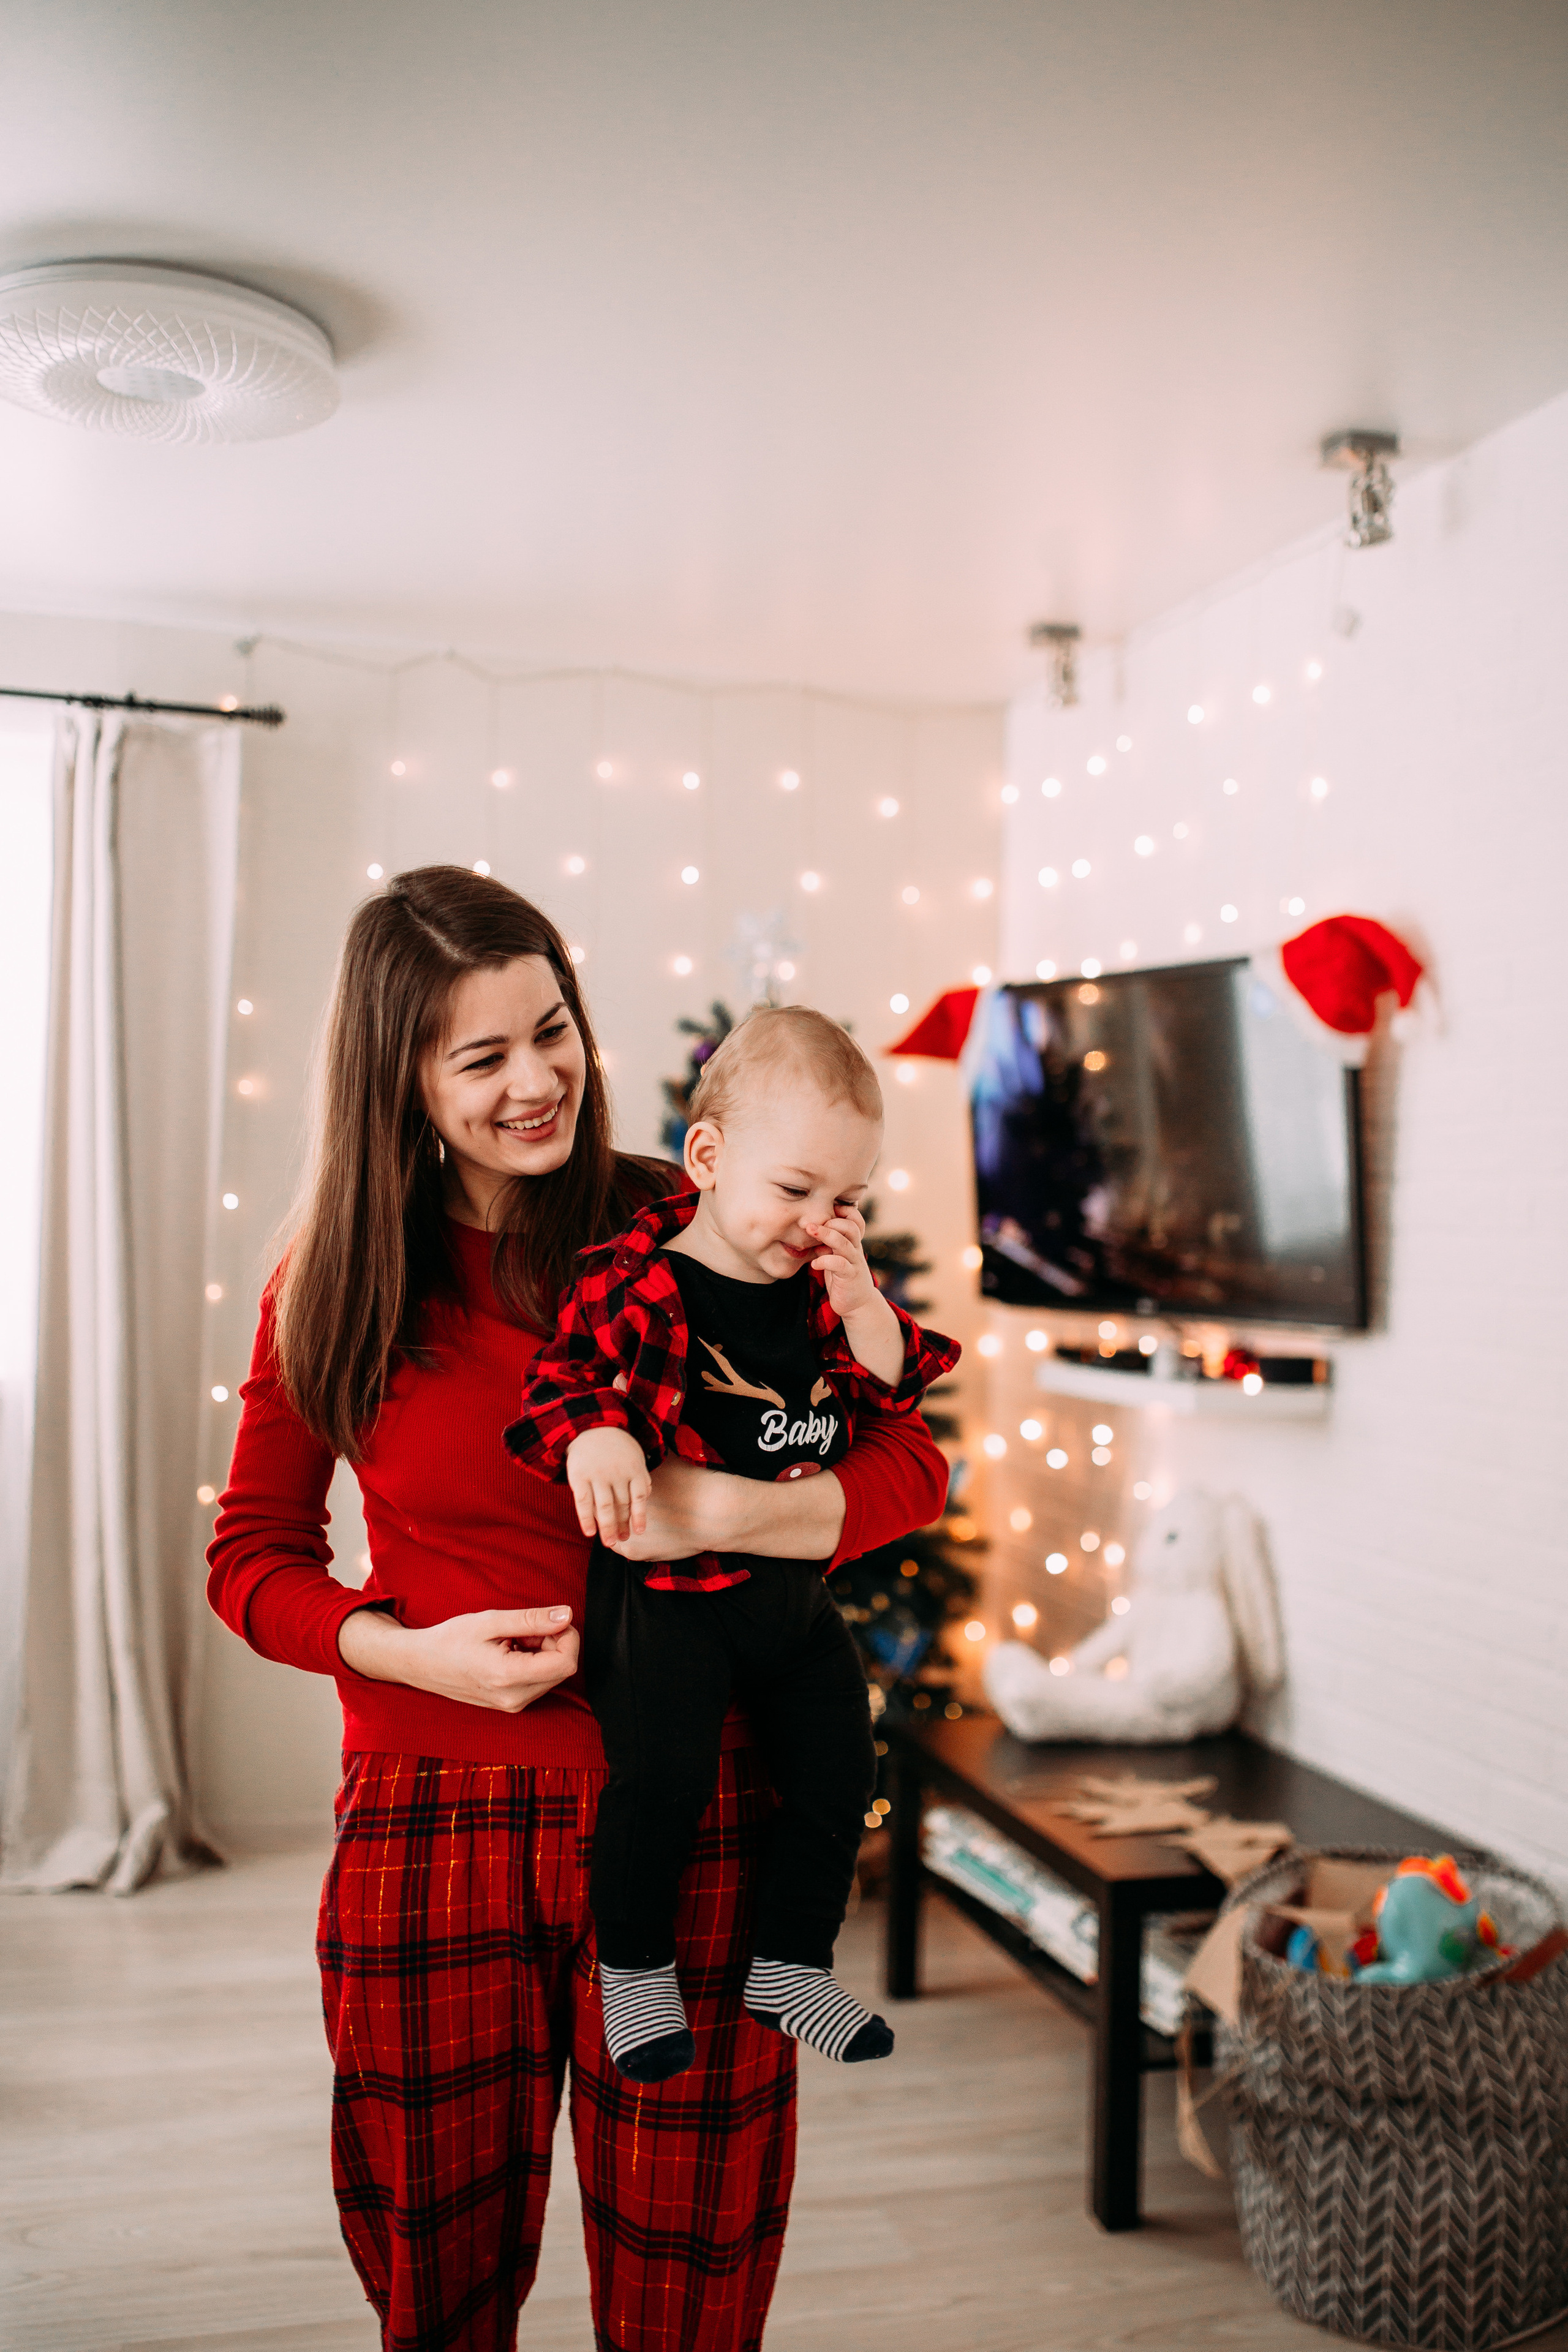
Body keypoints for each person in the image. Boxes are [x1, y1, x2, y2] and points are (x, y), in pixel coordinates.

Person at [205, 866, 952, 2352]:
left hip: (701, 1821)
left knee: (693, 2280)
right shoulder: (336, 1282)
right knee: (439, 2273)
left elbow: (908, 1460)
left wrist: (737, 1511)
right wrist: (400, 1649)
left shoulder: (700, 1227)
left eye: (552, 1030)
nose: (539, 1081)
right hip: (431, 1821)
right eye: (481, 1058)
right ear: (397, 1076)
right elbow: (253, 1555)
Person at [505, 1007, 959, 2086]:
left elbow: (893, 1390)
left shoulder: (823, 1293)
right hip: (669, 1600)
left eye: (846, 1200)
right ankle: (634, 1970)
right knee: (661, 1779)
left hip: (791, 1608)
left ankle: (792, 1963)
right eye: (795, 1191)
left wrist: (862, 1304)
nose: (818, 1223)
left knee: (844, 1767)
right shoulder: (644, 1280)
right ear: (707, 1158)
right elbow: (560, 1384)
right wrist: (603, 1435)